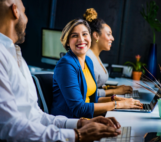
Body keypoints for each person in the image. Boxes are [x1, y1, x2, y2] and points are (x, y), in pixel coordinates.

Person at [0, 0, 122, 141]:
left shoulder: (15, 55)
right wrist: (77, 135)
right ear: (15, 11)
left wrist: (80, 124)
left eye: (84, 34)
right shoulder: (3, 56)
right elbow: (8, 127)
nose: (27, 19)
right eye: (25, 12)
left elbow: (37, 117)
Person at [51, 18, 143, 118]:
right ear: (67, 42)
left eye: (85, 34)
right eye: (74, 35)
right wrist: (118, 105)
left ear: (90, 37)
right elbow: (79, 109)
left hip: (87, 120)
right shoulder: (66, 64)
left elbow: (92, 99)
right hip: (71, 123)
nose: (81, 39)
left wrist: (116, 99)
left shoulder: (88, 61)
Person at [84, 8, 134, 98]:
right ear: (96, 35)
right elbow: (90, 94)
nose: (112, 38)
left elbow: (96, 86)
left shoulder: (95, 56)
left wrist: (113, 88)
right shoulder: (87, 58)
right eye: (108, 34)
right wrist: (115, 91)